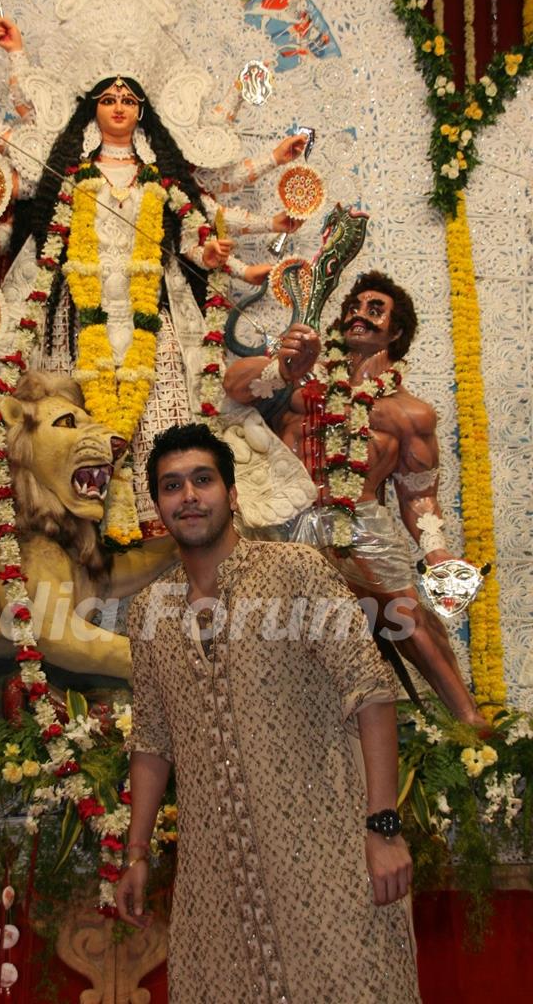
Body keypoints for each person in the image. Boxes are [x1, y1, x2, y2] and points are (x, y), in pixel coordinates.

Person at [0, 13, 307, 537]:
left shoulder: (161, 179)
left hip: (150, 310)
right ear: (94, 110)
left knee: (166, 409)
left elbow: (197, 233)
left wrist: (217, 253)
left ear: (141, 113)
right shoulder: (72, 174)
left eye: (129, 100)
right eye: (109, 100)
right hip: (74, 315)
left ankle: (159, 520)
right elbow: (9, 152)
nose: (119, 108)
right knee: (54, 408)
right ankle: (63, 516)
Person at [116, 423, 420, 1003]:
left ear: (232, 495)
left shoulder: (296, 572)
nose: (188, 496)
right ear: (158, 506)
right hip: (217, 879)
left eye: (202, 480)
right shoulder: (150, 612)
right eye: (172, 486)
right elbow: (153, 742)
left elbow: (370, 692)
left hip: (327, 861)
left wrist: (382, 827)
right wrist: (135, 853)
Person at [223, 270, 487, 727]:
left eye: (374, 309)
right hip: (288, 518)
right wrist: (283, 366)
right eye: (354, 307)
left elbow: (418, 496)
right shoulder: (304, 375)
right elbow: (234, 385)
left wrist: (436, 550)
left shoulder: (412, 413)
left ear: (397, 330)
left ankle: (472, 725)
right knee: (271, 626)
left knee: (408, 618)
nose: (359, 315)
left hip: (362, 521)